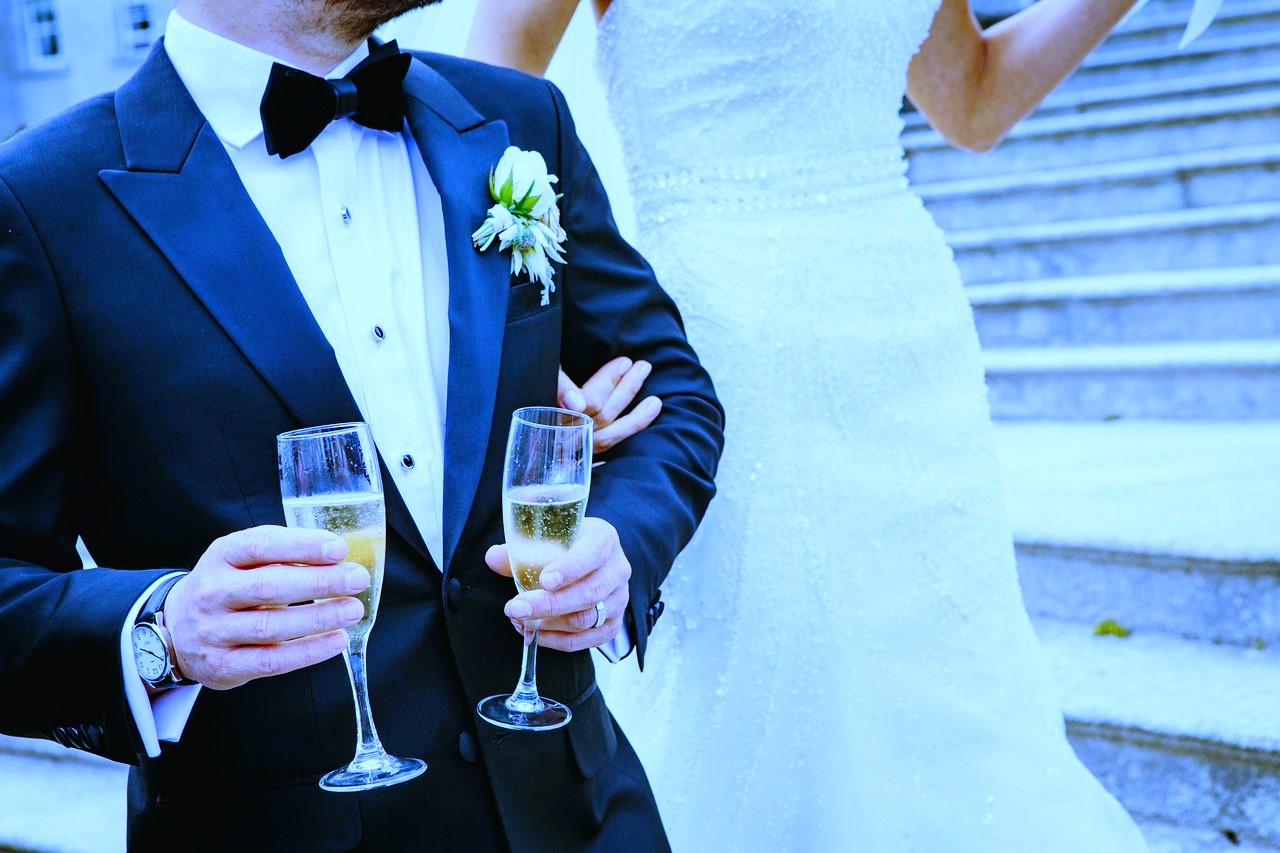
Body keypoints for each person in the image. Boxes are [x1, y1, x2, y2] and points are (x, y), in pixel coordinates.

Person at [0, 0, 723, 849]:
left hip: (585, 814)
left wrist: (620, 544)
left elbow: (671, 392)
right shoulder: (45, 201)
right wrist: (163, 631)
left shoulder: (519, 121)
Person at [466, 0, 1167, 849]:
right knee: (777, 666)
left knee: (947, 668)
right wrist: (552, 349)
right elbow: (491, 113)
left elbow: (971, 99)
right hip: (730, 339)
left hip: (912, 342)